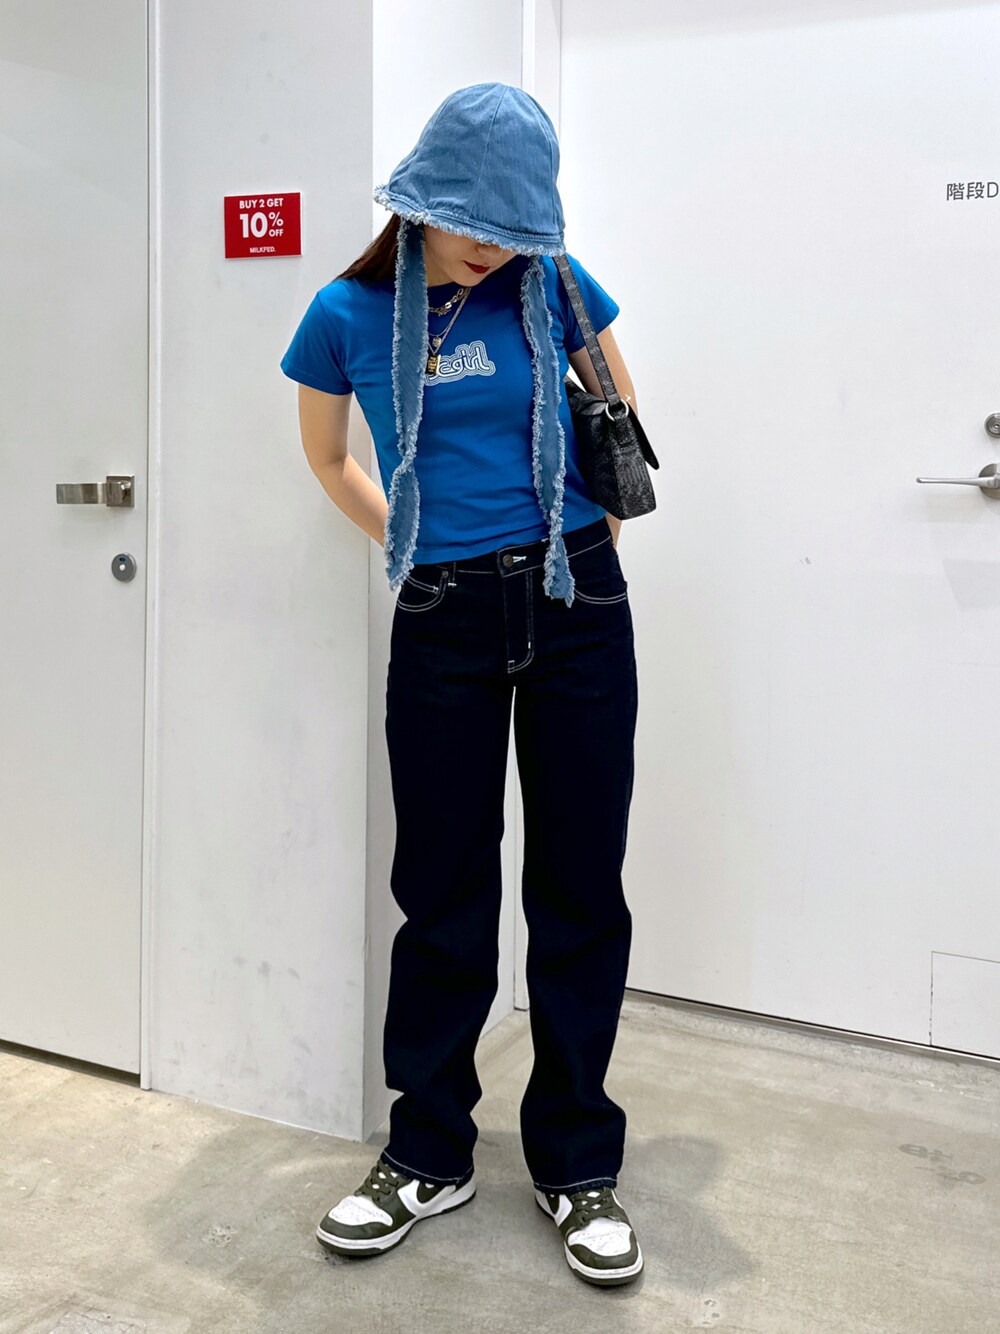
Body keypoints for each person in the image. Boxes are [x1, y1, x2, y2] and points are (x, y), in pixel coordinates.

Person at [280, 81, 644, 1288]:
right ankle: (428, 1150)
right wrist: (414, 544)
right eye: (470, 220)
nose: (490, 244)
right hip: (441, 610)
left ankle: (577, 1160)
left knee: (579, 885)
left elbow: (620, 415)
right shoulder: (343, 312)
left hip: (575, 596)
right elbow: (327, 456)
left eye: (511, 223)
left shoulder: (558, 283)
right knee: (440, 890)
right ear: (421, 199)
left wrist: (579, 540)